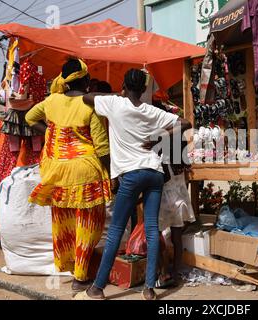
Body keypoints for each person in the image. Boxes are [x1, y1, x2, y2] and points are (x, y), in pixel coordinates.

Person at [75, 69, 191, 300]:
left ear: (124, 86)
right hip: (154, 172)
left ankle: (97, 288)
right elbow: (185, 122)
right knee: (151, 229)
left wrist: (117, 95)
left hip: (130, 174)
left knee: (117, 230)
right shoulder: (151, 110)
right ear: (144, 89)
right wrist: (159, 137)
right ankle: (148, 289)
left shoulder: (114, 104)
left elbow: (85, 97)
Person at [25, 58, 111, 294]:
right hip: (86, 171)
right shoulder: (88, 105)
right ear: (84, 80)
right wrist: (114, 174)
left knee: (63, 223)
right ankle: (81, 278)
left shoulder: (51, 101)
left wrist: (51, 132)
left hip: (57, 170)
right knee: (88, 225)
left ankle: (71, 268)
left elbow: (29, 118)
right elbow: (102, 147)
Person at [153, 102, 195, 288]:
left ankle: (163, 273)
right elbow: (186, 164)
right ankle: (176, 273)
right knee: (176, 237)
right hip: (178, 194)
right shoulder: (178, 138)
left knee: (159, 235)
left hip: (162, 196)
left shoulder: (157, 139)